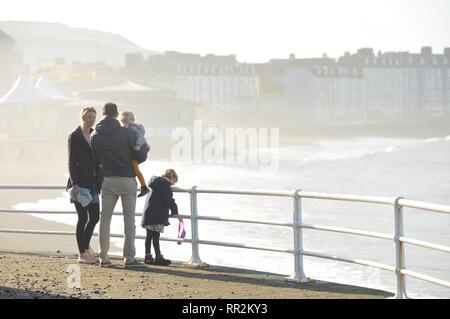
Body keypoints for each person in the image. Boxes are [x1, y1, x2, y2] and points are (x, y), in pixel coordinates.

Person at [91, 102, 142, 267]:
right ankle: (129, 258)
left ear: (103, 113)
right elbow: (139, 155)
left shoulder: (95, 136)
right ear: (116, 114)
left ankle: (103, 257)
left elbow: (95, 158)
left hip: (107, 179)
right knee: (129, 219)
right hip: (127, 179)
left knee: (105, 219)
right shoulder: (126, 133)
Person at [67, 106, 102, 264]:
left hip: (94, 183)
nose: (92, 120)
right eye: (89, 117)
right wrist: (74, 183)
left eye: (94, 117)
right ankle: (82, 254)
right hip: (80, 183)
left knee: (94, 217)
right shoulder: (74, 136)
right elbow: (71, 162)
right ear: (83, 117)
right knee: (82, 218)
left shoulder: (95, 135)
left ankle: (86, 248)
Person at [141, 169, 180, 266]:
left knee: (149, 236)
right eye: (174, 182)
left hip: (148, 213)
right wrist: (175, 211)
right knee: (156, 236)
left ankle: (148, 256)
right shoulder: (164, 185)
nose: (172, 185)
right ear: (172, 177)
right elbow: (169, 199)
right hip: (157, 214)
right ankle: (158, 256)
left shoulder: (155, 183)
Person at [118, 110, 150, 197]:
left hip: (137, 151)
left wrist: (138, 145)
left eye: (124, 121)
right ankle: (142, 186)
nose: (123, 123)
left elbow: (140, 137)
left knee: (135, 169)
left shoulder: (132, 128)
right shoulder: (131, 127)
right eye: (122, 121)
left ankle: (144, 187)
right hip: (136, 151)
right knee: (134, 168)